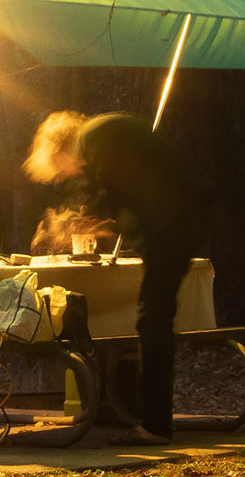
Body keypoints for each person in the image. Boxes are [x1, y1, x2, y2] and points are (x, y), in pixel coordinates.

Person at [23, 108, 212, 444]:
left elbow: (115, 189)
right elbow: (123, 190)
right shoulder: (102, 134)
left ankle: (154, 426)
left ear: (59, 150)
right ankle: (154, 422)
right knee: (153, 319)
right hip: (179, 218)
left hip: (173, 224)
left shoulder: (97, 139)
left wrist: (82, 222)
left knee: (153, 321)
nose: (69, 174)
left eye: (61, 169)